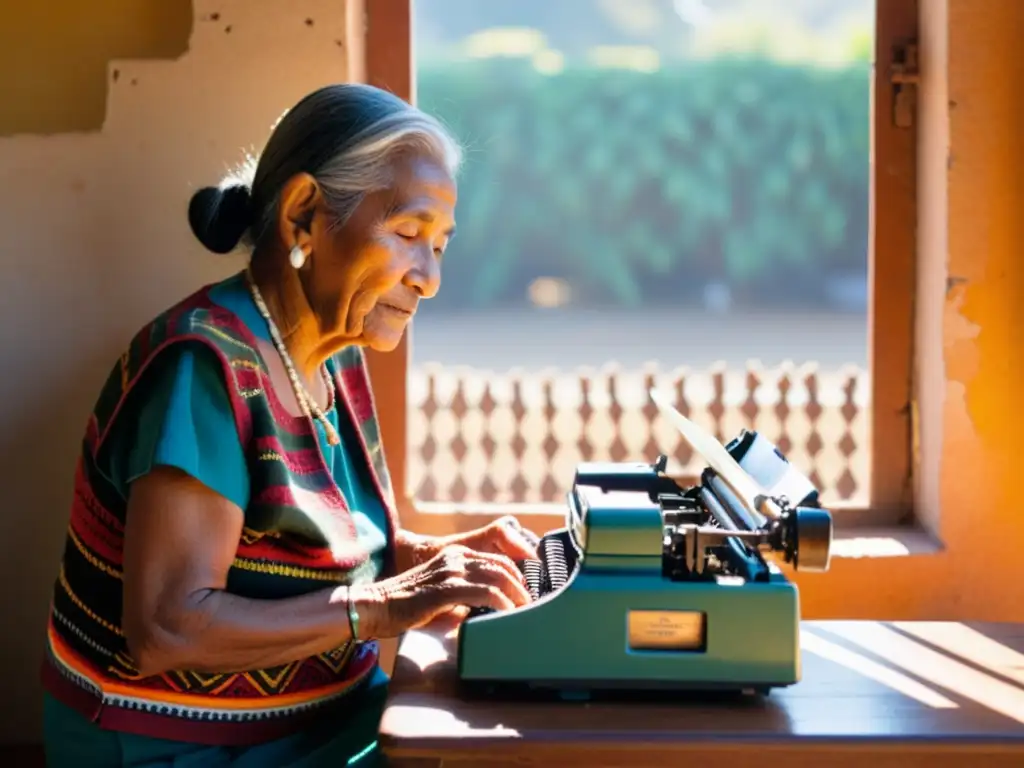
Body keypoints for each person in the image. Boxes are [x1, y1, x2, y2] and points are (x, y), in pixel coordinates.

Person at [40, 83, 538, 767]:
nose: (428, 277)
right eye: (408, 234)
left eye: (441, 246)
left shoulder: (334, 359)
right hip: (184, 749)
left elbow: (313, 562)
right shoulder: (203, 370)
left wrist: (439, 562)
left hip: (325, 718)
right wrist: (391, 603)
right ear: (304, 214)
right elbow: (168, 629)